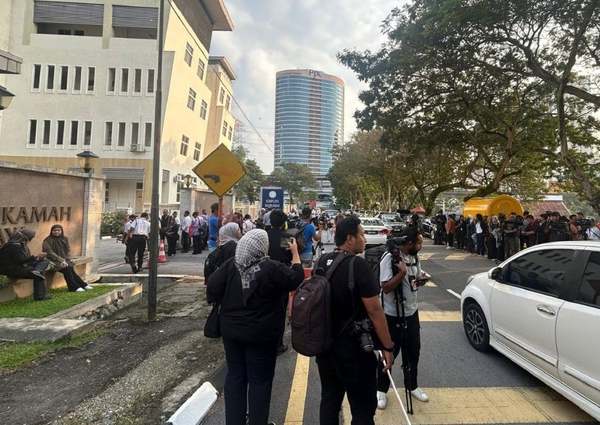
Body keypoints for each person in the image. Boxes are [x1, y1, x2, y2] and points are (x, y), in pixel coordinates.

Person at [206, 230, 304, 425]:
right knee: (260, 381)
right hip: (262, 335)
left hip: (231, 332)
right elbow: (295, 278)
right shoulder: (270, 267)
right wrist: (294, 254)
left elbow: (212, 289)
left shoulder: (230, 266)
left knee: (235, 377)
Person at [314, 216, 394, 425]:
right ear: (350, 239)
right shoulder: (358, 266)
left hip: (325, 347)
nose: (364, 238)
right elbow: (375, 311)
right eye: (361, 234)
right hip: (354, 350)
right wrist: (387, 346)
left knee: (330, 400)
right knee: (362, 408)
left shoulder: (322, 261)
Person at [377, 228, 429, 410]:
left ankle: (412, 385)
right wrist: (401, 274)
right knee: (389, 353)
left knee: (413, 351)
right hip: (392, 315)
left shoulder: (414, 257)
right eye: (419, 243)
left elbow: (415, 277)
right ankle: (381, 390)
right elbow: (385, 288)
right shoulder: (389, 259)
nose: (421, 246)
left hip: (412, 312)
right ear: (408, 243)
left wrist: (420, 279)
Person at [0, 229, 50, 300]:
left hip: (19, 267)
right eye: (31, 237)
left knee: (44, 262)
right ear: (26, 237)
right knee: (39, 275)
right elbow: (21, 260)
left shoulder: (18, 245)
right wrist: (35, 257)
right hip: (12, 270)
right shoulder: (13, 246)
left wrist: (37, 258)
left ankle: (36, 271)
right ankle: (40, 296)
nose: (31, 239)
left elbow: (24, 260)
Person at [42, 224, 92, 291]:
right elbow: (50, 252)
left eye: (58, 230)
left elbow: (67, 250)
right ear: (51, 231)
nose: (56, 232)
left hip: (64, 260)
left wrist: (66, 259)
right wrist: (61, 260)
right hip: (52, 261)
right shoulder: (47, 240)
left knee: (70, 268)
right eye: (54, 230)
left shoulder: (64, 238)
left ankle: (82, 285)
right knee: (67, 269)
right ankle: (75, 287)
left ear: (61, 231)